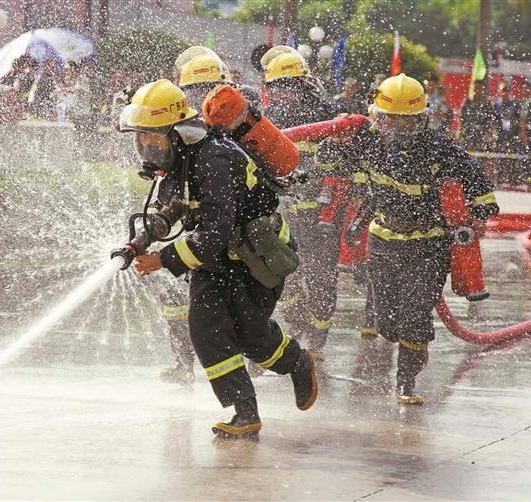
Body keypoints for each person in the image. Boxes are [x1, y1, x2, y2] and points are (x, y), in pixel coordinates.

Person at [120, 79, 318, 438]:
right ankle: (244, 412)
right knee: (205, 329)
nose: (147, 146)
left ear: (177, 133)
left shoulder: (217, 160)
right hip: (215, 261)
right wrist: (141, 238)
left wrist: (162, 260)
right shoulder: (179, 159)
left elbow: (217, 231)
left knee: (250, 336)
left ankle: (297, 361)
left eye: (154, 137)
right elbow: (174, 206)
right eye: (142, 137)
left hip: (256, 257)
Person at [316, 74, 499, 404]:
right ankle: (406, 355)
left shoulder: (441, 150)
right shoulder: (366, 140)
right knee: (386, 324)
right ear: (378, 118)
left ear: (422, 120)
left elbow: (482, 190)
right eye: (391, 123)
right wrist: (333, 141)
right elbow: (327, 161)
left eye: (407, 124)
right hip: (383, 239)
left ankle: (407, 381)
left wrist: (478, 217)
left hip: (428, 243)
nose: (399, 131)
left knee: (415, 317)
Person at [156, 46, 264, 386]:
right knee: (174, 299)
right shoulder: (184, 132)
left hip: (229, 234)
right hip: (194, 226)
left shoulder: (238, 130)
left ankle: (252, 359)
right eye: (195, 93)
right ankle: (183, 362)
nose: (204, 101)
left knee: (233, 305)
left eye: (209, 92)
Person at [261, 45, 365, 357]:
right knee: (284, 278)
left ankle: (318, 339)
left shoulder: (331, 117)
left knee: (322, 278)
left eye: (291, 88)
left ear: (306, 87)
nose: (285, 96)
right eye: (279, 89)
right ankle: (296, 327)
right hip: (283, 217)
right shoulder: (266, 122)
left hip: (323, 218)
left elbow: (358, 154)